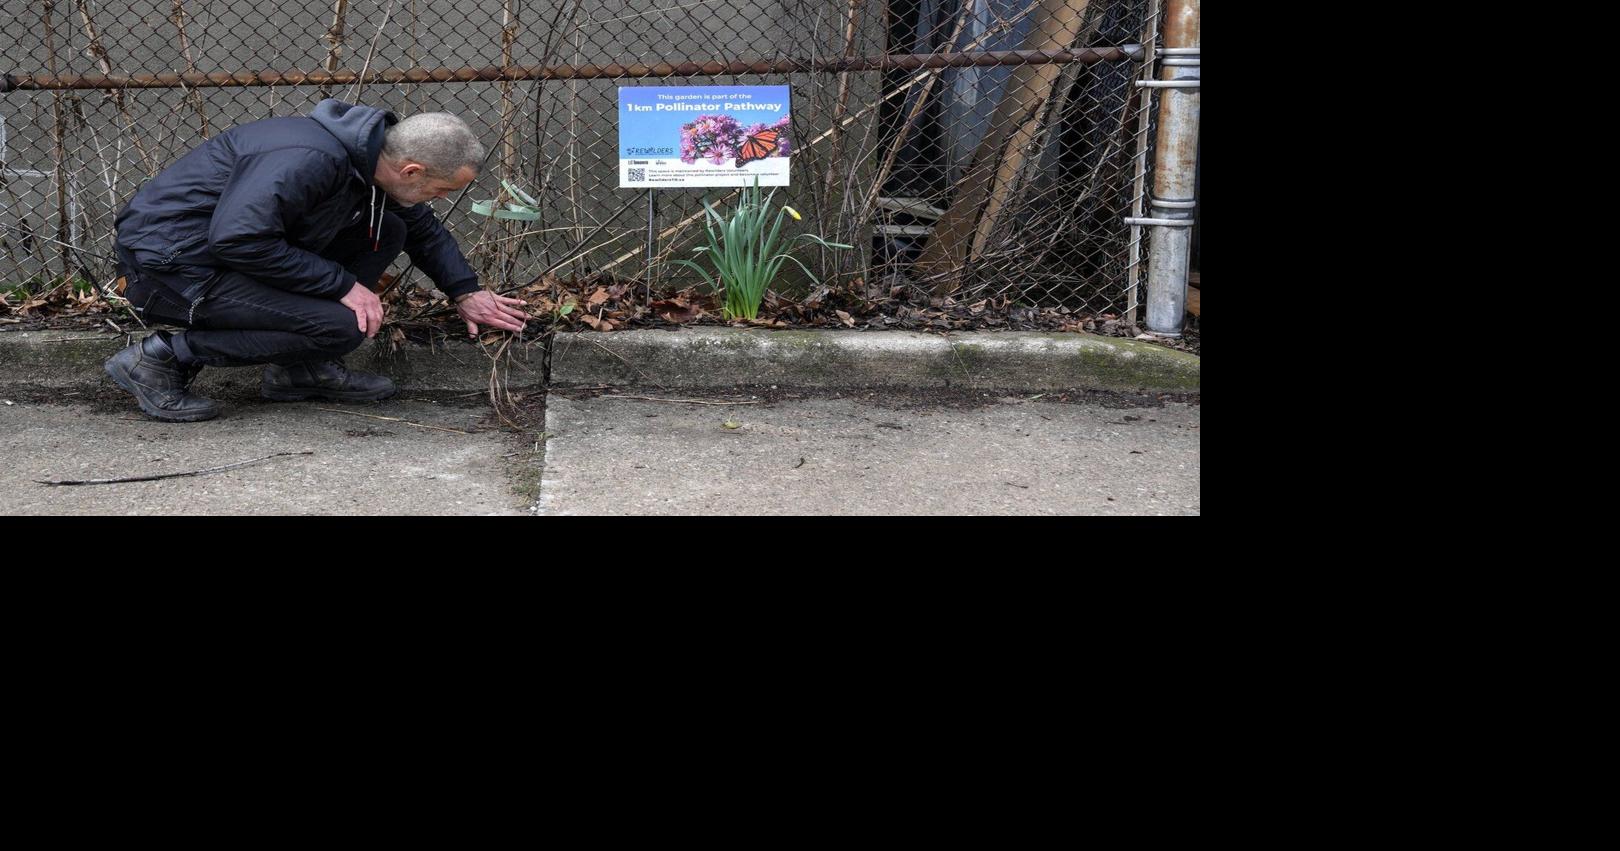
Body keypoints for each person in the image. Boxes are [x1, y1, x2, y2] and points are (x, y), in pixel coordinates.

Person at [105, 98, 529, 422]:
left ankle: (300, 369)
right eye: (442, 190)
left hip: (219, 259)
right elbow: (240, 239)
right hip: (172, 270)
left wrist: (465, 291)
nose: (440, 200)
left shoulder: (368, 163)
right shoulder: (307, 159)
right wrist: (342, 287)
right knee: (342, 324)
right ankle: (162, 357)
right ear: (411, 170)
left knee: (388, 229)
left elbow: (421, 229)